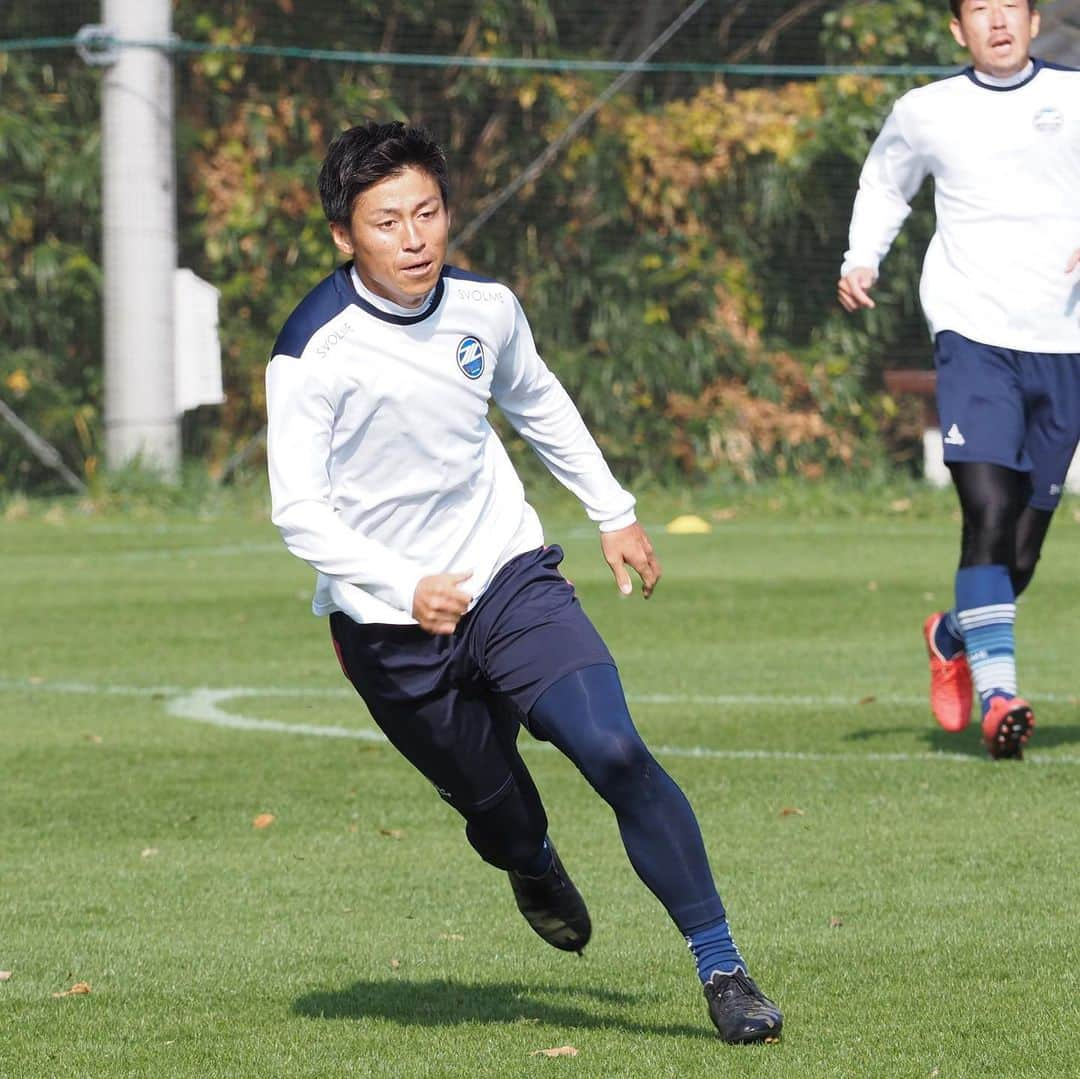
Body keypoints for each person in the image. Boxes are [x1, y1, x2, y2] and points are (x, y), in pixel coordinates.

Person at [265, 121, 781, 1043]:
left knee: (614, 749)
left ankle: (724, 967)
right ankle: (530, 859)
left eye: (428, 213)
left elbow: (535, 395)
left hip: (506, 576)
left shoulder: (486, 308)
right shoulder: (313, 353)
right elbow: (298, 511)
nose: (415, 238)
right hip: (390, 630)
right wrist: (400, 583)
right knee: (500, 818)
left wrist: (612, 509)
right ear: (345, 236)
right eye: (388, 222)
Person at [838, 0, 1080, 760]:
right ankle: (1002, 694)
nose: (998, 20)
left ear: (1035, 21)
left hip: (1064, 340)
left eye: (1012, 5)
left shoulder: (1073, 97)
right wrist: (861, 256)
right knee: (985, 505)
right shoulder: (926, 110)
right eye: (981, 8)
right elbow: (885, 183)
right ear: (958, 29)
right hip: (972, 334)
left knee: (1023, 553)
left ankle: (951, 631)